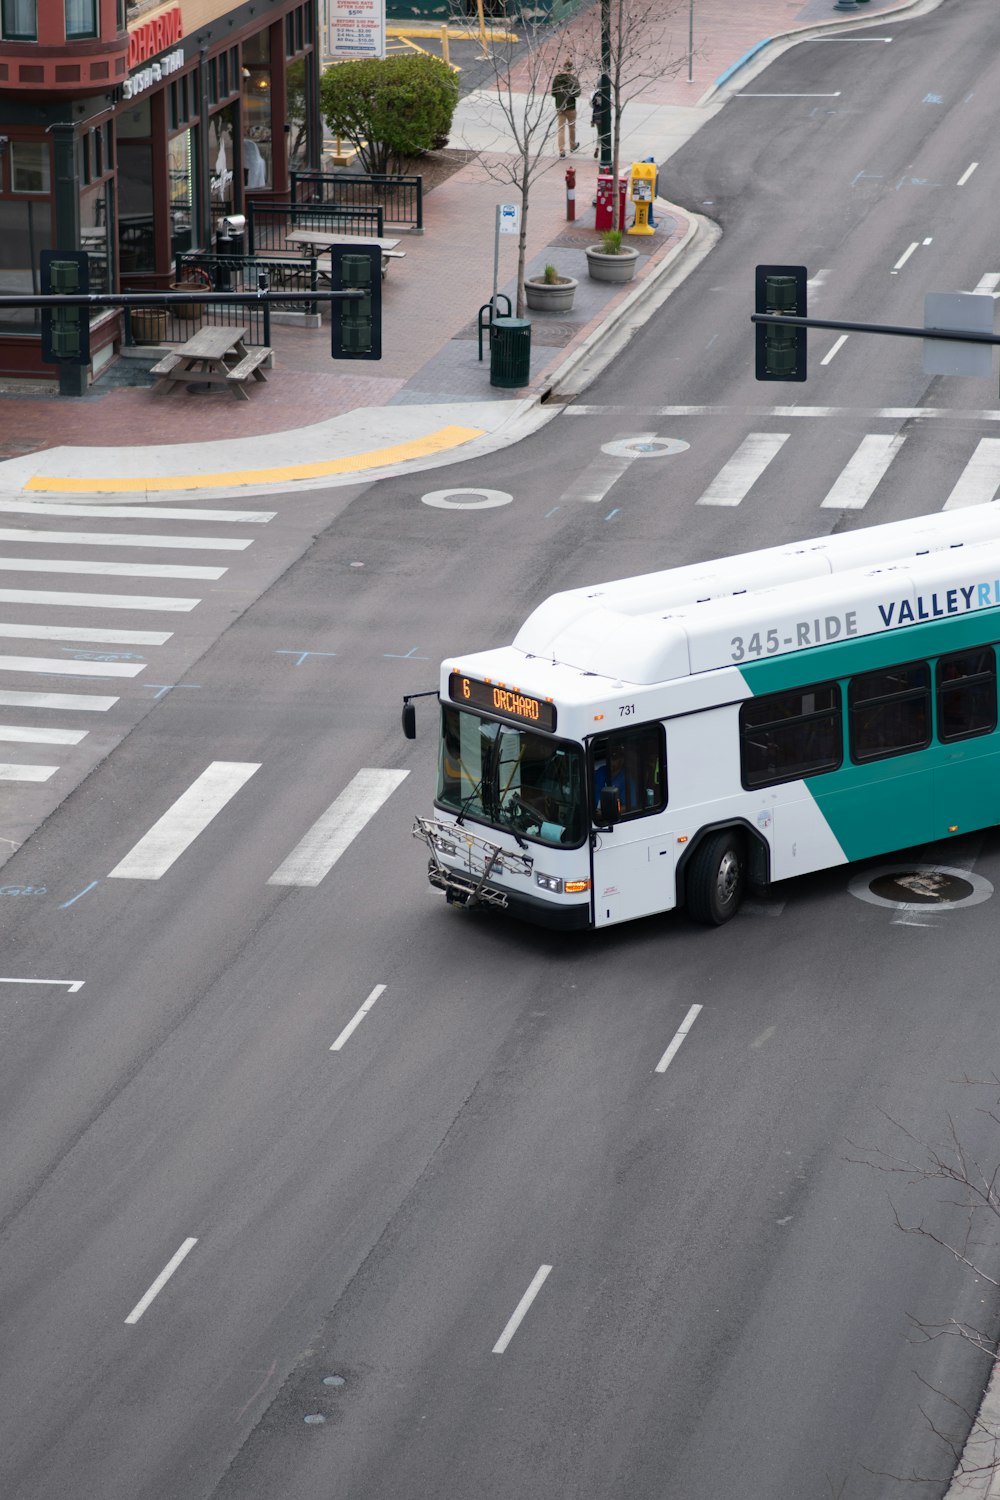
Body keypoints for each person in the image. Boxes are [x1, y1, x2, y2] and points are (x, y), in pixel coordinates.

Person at [552, 58, 581, 158]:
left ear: (563, 67)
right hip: (571, 106)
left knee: (561, 129)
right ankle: (572, 145)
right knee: (571, 127)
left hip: (560, 107)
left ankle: (561, 150)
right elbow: (577, 93)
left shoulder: (557, 78)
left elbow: (553, 93)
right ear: (571, 68)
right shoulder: (573, 79)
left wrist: (560, 98)